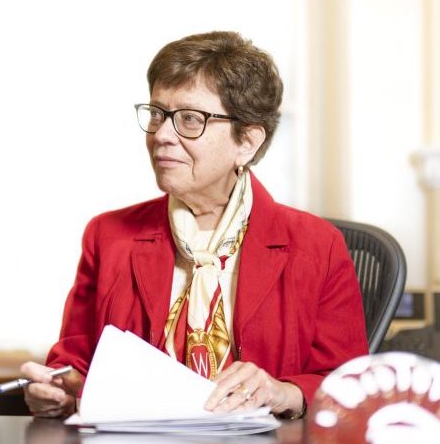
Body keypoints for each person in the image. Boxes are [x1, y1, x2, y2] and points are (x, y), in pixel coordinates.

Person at [21, 31, 368, 419]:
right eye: (157, 114)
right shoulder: (108, 236)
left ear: (247, 142)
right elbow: (73, 363)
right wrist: (58, 390)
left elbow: (351, 387)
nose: (161, 135)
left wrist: (284, 392)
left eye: (190, 119)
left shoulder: (317, 245)